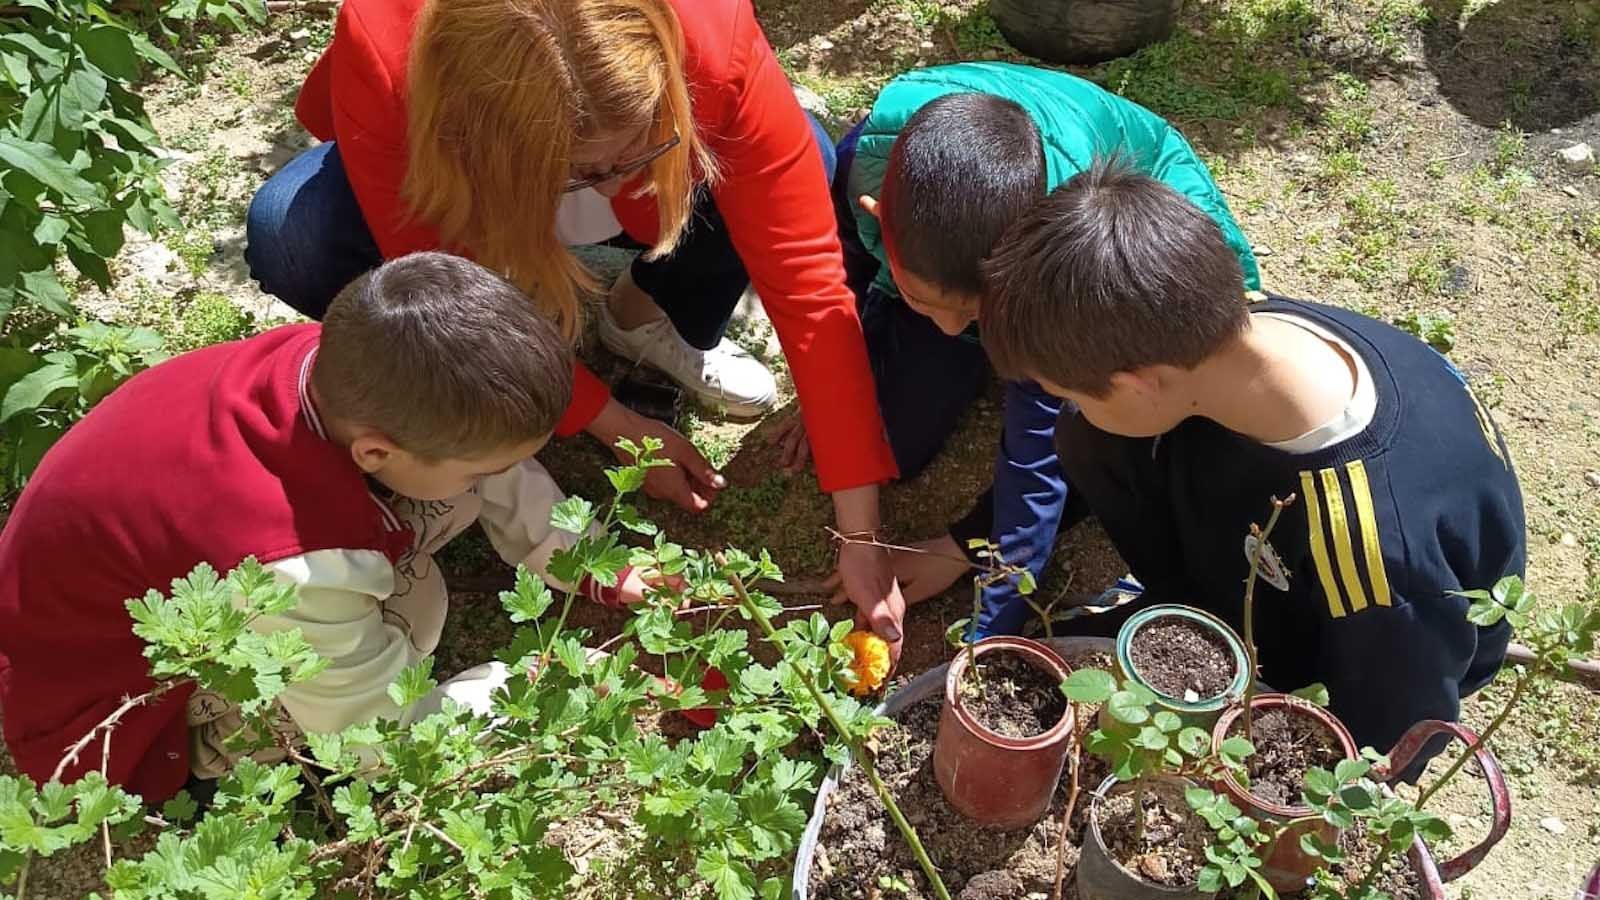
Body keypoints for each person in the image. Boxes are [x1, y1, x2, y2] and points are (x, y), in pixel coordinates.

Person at [245, 0, 905, 658]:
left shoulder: (709, 29)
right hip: (475, 185)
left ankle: (649, 315)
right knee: (294, 234)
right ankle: (477, 379)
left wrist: (862, 536)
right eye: (584, 171)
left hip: (641, 165)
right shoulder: (390, 50)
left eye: (634, 152)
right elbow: (445, 288)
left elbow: (809, 288)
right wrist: (612, 422)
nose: (612, 184)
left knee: (805, 154)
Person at [0, 253, 659, 803]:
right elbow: (377, 744)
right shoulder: (294, 564)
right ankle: (214, 751)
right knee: (414, 607)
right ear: (374, 454)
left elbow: (486, 452)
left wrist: (578, 557)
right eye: (484, 470)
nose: (503, 476)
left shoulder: (344, 362)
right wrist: (545, 687)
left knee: (437, 515)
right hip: (118, 720)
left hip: (134, 576)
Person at [978, 162, 1525, 756]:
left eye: (1067, 388)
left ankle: (1237, 656)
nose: (1066, 405)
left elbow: (1396, 728)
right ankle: (1185, 605)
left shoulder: (1370, 550)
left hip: (1384, 645)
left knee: (1093, 432)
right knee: (1093, 434)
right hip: (1303, 552)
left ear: (1142, 383)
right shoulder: (1236, 325)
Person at [791, 63, 1258, 638]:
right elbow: (840, 279)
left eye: (974, 315)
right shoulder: (865, 165)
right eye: (925, 300)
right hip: (981, 249)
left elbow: (1038, 454)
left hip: (1125, 244)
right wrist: (832, 386)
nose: (946, 328)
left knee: (1127, 430)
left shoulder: (1068, 280)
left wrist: (980, 585)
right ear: (877, 215)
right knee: (892, 444)